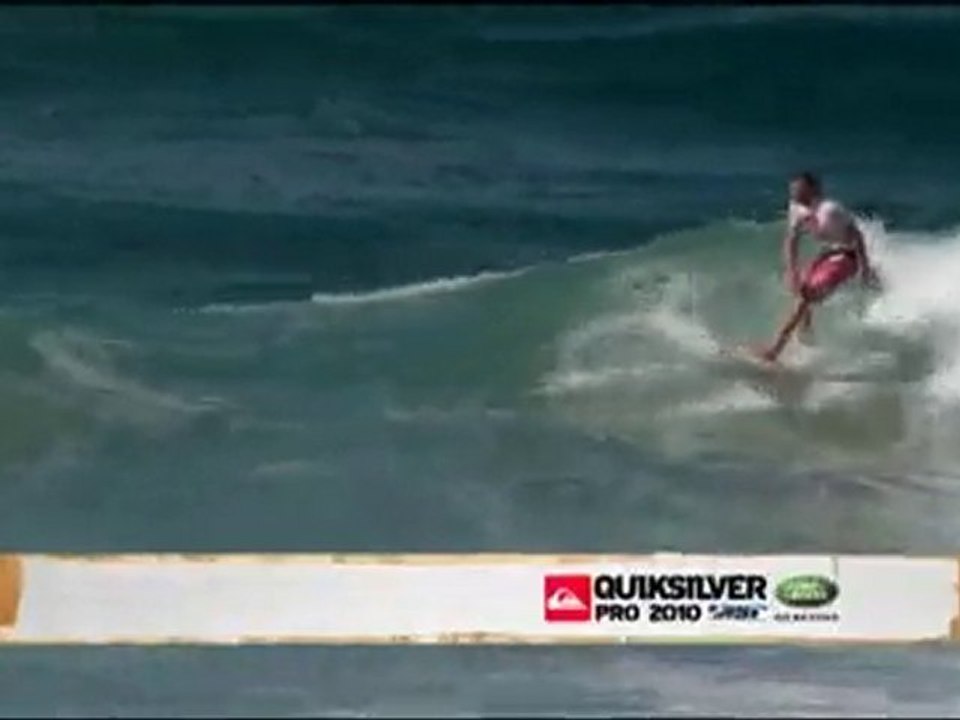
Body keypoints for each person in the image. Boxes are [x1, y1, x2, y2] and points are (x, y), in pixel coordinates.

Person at [755, 172, 880, 363]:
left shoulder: (830, 210)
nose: (794, 192)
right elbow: (791, 240)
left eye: (799, 188)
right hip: (827, 255)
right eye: (792, 188)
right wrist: (792, 270)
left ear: (813, 190)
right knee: (801, 290)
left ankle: (775, 350)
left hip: (847, 257)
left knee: (808, 294)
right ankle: (806, 341)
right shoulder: (797, 209)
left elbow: (857, 236)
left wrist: (864, 268)